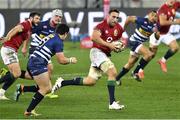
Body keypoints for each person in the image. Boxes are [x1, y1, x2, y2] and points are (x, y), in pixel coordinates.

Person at [51, 9, 125, 110]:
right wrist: (109, 45)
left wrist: (119, 46)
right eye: (113, 16)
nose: (115, 19)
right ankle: (112, 103)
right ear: (108, 16)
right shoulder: (101, 26)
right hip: (97, 53)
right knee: (112, 72)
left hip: (104, 55)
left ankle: (62, 82)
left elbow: (118, 41)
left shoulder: (119, 28)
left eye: (117, 17)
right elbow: (94, 37)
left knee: (90, 81)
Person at [24, 23, 77, 116]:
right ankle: (28, 110)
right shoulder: (59, 41)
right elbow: (61, 60)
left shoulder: (51, 35)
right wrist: (71, 60)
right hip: (37, 63)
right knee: (46, 88)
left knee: (47, 88)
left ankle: (27, 101)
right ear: (65, 33)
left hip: (33, 60)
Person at [13, 9, 63, 100]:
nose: (58, 18)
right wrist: (24, 47)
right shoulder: (42, 24)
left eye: (60, 17)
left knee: (32, 75)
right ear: (52, 16)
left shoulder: (57, 28)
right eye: (56, 16)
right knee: (49, 68)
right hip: (35, 49)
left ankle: (22, 87)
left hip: (44, 51)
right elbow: (28, 32)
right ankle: (47, 90)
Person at [0, 12, 41, 100]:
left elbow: (26, 37)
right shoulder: (26, 24)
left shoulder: (29, 28)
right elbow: (16, 29)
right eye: (37, 18)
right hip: (8, 49)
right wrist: (7, 37)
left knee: (14, 74)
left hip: (11, 50)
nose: (38, 20)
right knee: (17, 73)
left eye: (39, 19)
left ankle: (1, 92)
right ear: (31, 18)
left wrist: (24, 48)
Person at [115, 11, 159, 84]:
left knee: (130, 63)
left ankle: (117, 78)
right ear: (148, 15)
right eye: (152, 15)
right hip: (133, 41)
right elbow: (129, 18)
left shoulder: (155, 26)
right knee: (149, 54)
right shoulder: (142, 21)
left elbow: (157, 37)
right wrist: (122, 30)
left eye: (155, 16)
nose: (153, 17)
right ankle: (135, 72)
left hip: (139, 44)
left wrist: (157, 33)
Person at [149, 0, 180, 73]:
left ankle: (162, 61)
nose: (172, 1)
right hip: (157, 33)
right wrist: (176, 21)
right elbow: (162, 22)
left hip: (166, 33)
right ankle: (139, 69)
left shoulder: (176, 4)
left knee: (175, 48)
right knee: (150, 55)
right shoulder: (162, 9)